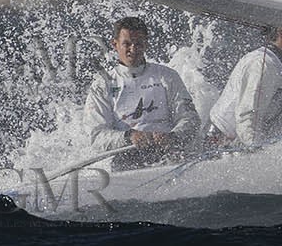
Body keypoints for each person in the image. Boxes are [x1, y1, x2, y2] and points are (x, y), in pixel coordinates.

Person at [83, 16, 200, 170]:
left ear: (146, 44)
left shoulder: (167, 76)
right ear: (115, 44)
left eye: (138, 44)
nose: (133, 49)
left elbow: (190, 118)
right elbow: (96, 136)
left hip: (169, 156)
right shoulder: (102, 84)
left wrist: (173, 137)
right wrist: (129, 136)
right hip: (126, 158)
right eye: (127, 44)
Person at [207, 26, 282, 148]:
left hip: (250, 142)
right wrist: (255, 150)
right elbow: (248, 115)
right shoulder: (262, 64)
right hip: (221, 143)